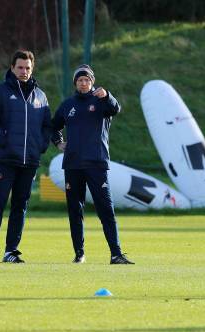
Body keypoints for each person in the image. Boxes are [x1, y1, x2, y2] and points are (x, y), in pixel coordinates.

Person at [52, 64, 133, 264]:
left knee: (106, 209)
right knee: (75, 210)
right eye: (80, 80)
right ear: (75, 83)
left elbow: (115, 109)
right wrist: (58, 142)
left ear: (92, 82)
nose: (83, 83)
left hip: (96, 164)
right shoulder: (67, 105)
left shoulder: (101, 102)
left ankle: (116, 254)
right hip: (73, 165)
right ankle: (79, 254)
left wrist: (107, 96)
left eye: (87, 80)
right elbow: (53, 126)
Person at [0, 50, 53, 263]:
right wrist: (3, 140)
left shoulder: (40, 96)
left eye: (27, 68)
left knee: (20, 206)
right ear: (12, 68)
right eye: (20, 67)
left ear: (32, 69)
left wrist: (40, 145)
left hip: (29, 161)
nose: (24, 71)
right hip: (5, 160)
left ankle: (11, 251)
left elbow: (47, 125)